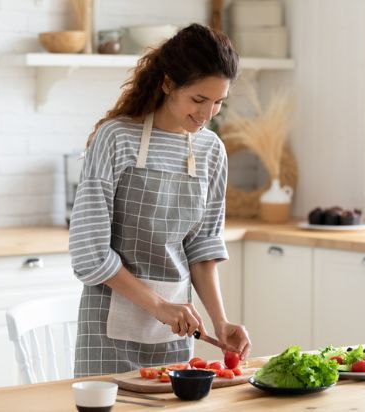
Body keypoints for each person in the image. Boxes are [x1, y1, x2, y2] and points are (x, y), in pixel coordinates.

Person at [69, 23, 251, 376]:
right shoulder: (116, 138)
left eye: (218, 102)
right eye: (198, 99)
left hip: (174, 333)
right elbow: (89, 253)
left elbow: (201, 247)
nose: (207, 113)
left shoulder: (211, 150)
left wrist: (220, 321)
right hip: (109, 332)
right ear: (168, 83)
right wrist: (159, 306)